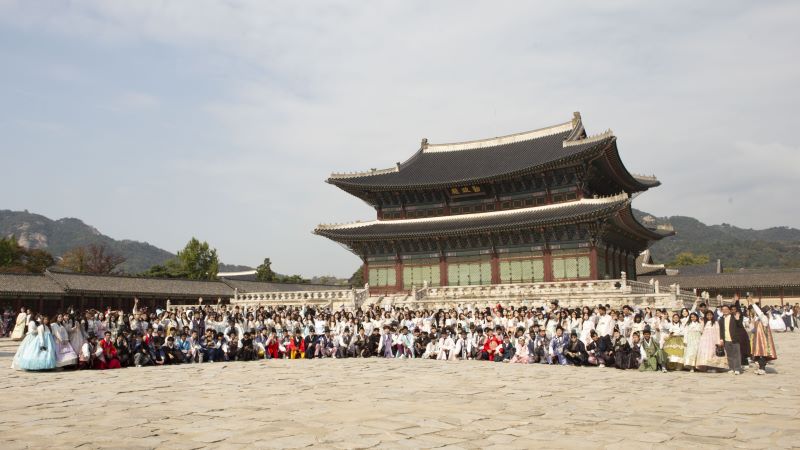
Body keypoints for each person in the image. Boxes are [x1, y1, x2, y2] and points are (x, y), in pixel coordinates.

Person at [748, 300, 777, 375]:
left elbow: (760, 313)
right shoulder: (759, 319)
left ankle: (762, 369)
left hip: (763, 340)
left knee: (763, 354)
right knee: (759, 354)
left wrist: (753, 303)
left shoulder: (764, 318)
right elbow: (754, 329)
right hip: (758, 339)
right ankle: (760, 368)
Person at [718, 304, 743, 375]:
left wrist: (738, 319)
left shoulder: (734, 317)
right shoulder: (721, 319)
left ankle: (737, 368)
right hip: (726, 340)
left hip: (734, 339)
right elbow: (721, 330)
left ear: (729, 310)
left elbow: (740, 326)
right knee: (729, 355)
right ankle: (731, 368)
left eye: (726, 309)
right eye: (723, 309)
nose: (725, 311)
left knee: (736, 354)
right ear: (721, 311)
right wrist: (721, 339)